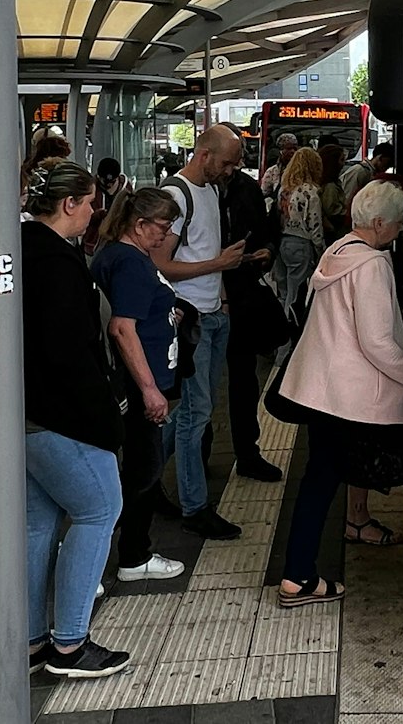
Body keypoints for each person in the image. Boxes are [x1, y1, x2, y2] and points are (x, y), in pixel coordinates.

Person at [274, 180, 403, 608]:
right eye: (397, 224)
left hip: (322, 390)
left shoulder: (337, 251)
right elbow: (378, 343)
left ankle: (308, 564)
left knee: (318, 479)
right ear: (379, 223)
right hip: (349, 397)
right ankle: (298, 576)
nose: (400, 231)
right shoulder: (373, 264)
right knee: (322, 481)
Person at [19, 160, 131, 680]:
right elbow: (68, 351)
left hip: (17, 414)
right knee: (98, 512)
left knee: (38, 523)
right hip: (62, 415)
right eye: (89, 203)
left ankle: (31, 638)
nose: (93, 212)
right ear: (69, 205)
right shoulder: (58, 263)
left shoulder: (14, 247)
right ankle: (70, 644)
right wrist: (108, 414)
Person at [152, 125, 249, 539]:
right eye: (227, 162)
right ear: (204, 154)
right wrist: (219, 268)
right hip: (188, 318)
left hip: (210, 314)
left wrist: (222, 299)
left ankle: (145, 473)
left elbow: (204, 250)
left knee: (197, 411)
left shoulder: (208, 190)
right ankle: (195, 506)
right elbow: (160, 263)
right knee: (196, 414)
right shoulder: (177, 195)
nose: (231, 171)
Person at [90, 188, 187, 583]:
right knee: (142, 473)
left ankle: (120, 553)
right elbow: (122, 327)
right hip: (137, 383)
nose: (166, 235)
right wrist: (149, 389)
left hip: (136, 377)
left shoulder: (118, 254)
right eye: (162, 227)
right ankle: (132, 555)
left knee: (135, 472)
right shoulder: (129, 262)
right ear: (140, 224)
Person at [222, 151, 284, 483]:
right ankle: (187, 459)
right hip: (203, 302)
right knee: (196, 393)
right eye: (226, 161)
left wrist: (267, 252)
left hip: (242, 295)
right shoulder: (189, 192)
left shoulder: (245, 187)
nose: (231, 168)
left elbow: (265, 232)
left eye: (235, 161)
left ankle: (248, 453)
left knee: (244, 382)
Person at [276, 147, 326, 331]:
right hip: (301, 243)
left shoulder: (285, 189)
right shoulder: (310, 191)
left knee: (283, 290)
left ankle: (280, 323)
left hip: (282, 241)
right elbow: (315, 225)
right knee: (296, 291)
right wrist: (321, 250)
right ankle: (291, 327)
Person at [337, 141, 393, 206]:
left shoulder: (370, 173)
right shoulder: (359, 171)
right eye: (388, 163)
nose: (387, 168)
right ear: (380, 157)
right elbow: (348, 197)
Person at [317, 143, 349, 242]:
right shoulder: (330, 186)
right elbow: (331, 210)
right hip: (334, 231)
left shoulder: (328, 182)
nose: (344, 164)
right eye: (341, 160)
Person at [259, 133, 299, 199]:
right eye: (289, 148)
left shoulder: (302, 170)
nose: (292, 151)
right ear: (281, 150)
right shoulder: (272, 172)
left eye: (295, 148)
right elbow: (263, 194)